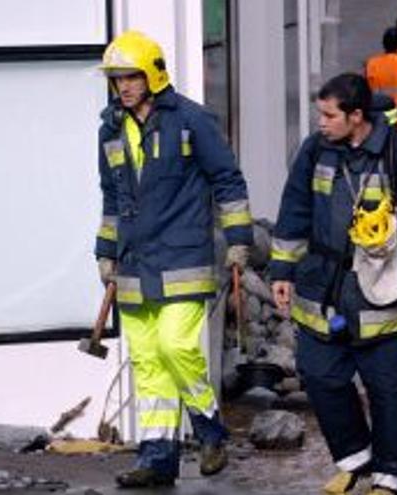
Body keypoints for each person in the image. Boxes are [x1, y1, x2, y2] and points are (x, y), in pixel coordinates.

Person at [269, 73, 397, 495]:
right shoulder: (315, 151)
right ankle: (355, 459)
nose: (321, 122)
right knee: (319, 376)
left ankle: (390, 477)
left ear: (356, 116)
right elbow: (294, 209)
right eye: (320, 114)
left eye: (329, 115)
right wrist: (281, 270)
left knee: (389, 389)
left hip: (383, 292)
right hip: (322, 287)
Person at [95, 30, 253, 488]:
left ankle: (209, 430)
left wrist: (239, 239)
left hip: (184, 258)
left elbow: (227, 180)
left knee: (175, 346)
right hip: (133, 262)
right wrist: (105, 251)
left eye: (131, 76)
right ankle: (158, 457)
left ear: (153, 75)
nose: (123, 86)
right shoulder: (109, 129)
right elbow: (111, 197)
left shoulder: (190, 120)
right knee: (146, 360)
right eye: (116, 78)